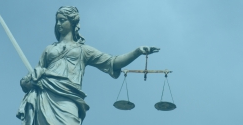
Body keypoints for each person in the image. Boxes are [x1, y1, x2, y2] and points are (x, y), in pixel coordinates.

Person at [16, 6, 160, 125]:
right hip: (44, 96)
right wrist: (28, 81)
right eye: (57, 21)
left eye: (62, 20)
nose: (58, 24)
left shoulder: (83, 50)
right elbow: (30, 78)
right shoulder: (49, 49)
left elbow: (112, 62)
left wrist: (137, 52)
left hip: (69, 98)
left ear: (72, 23)